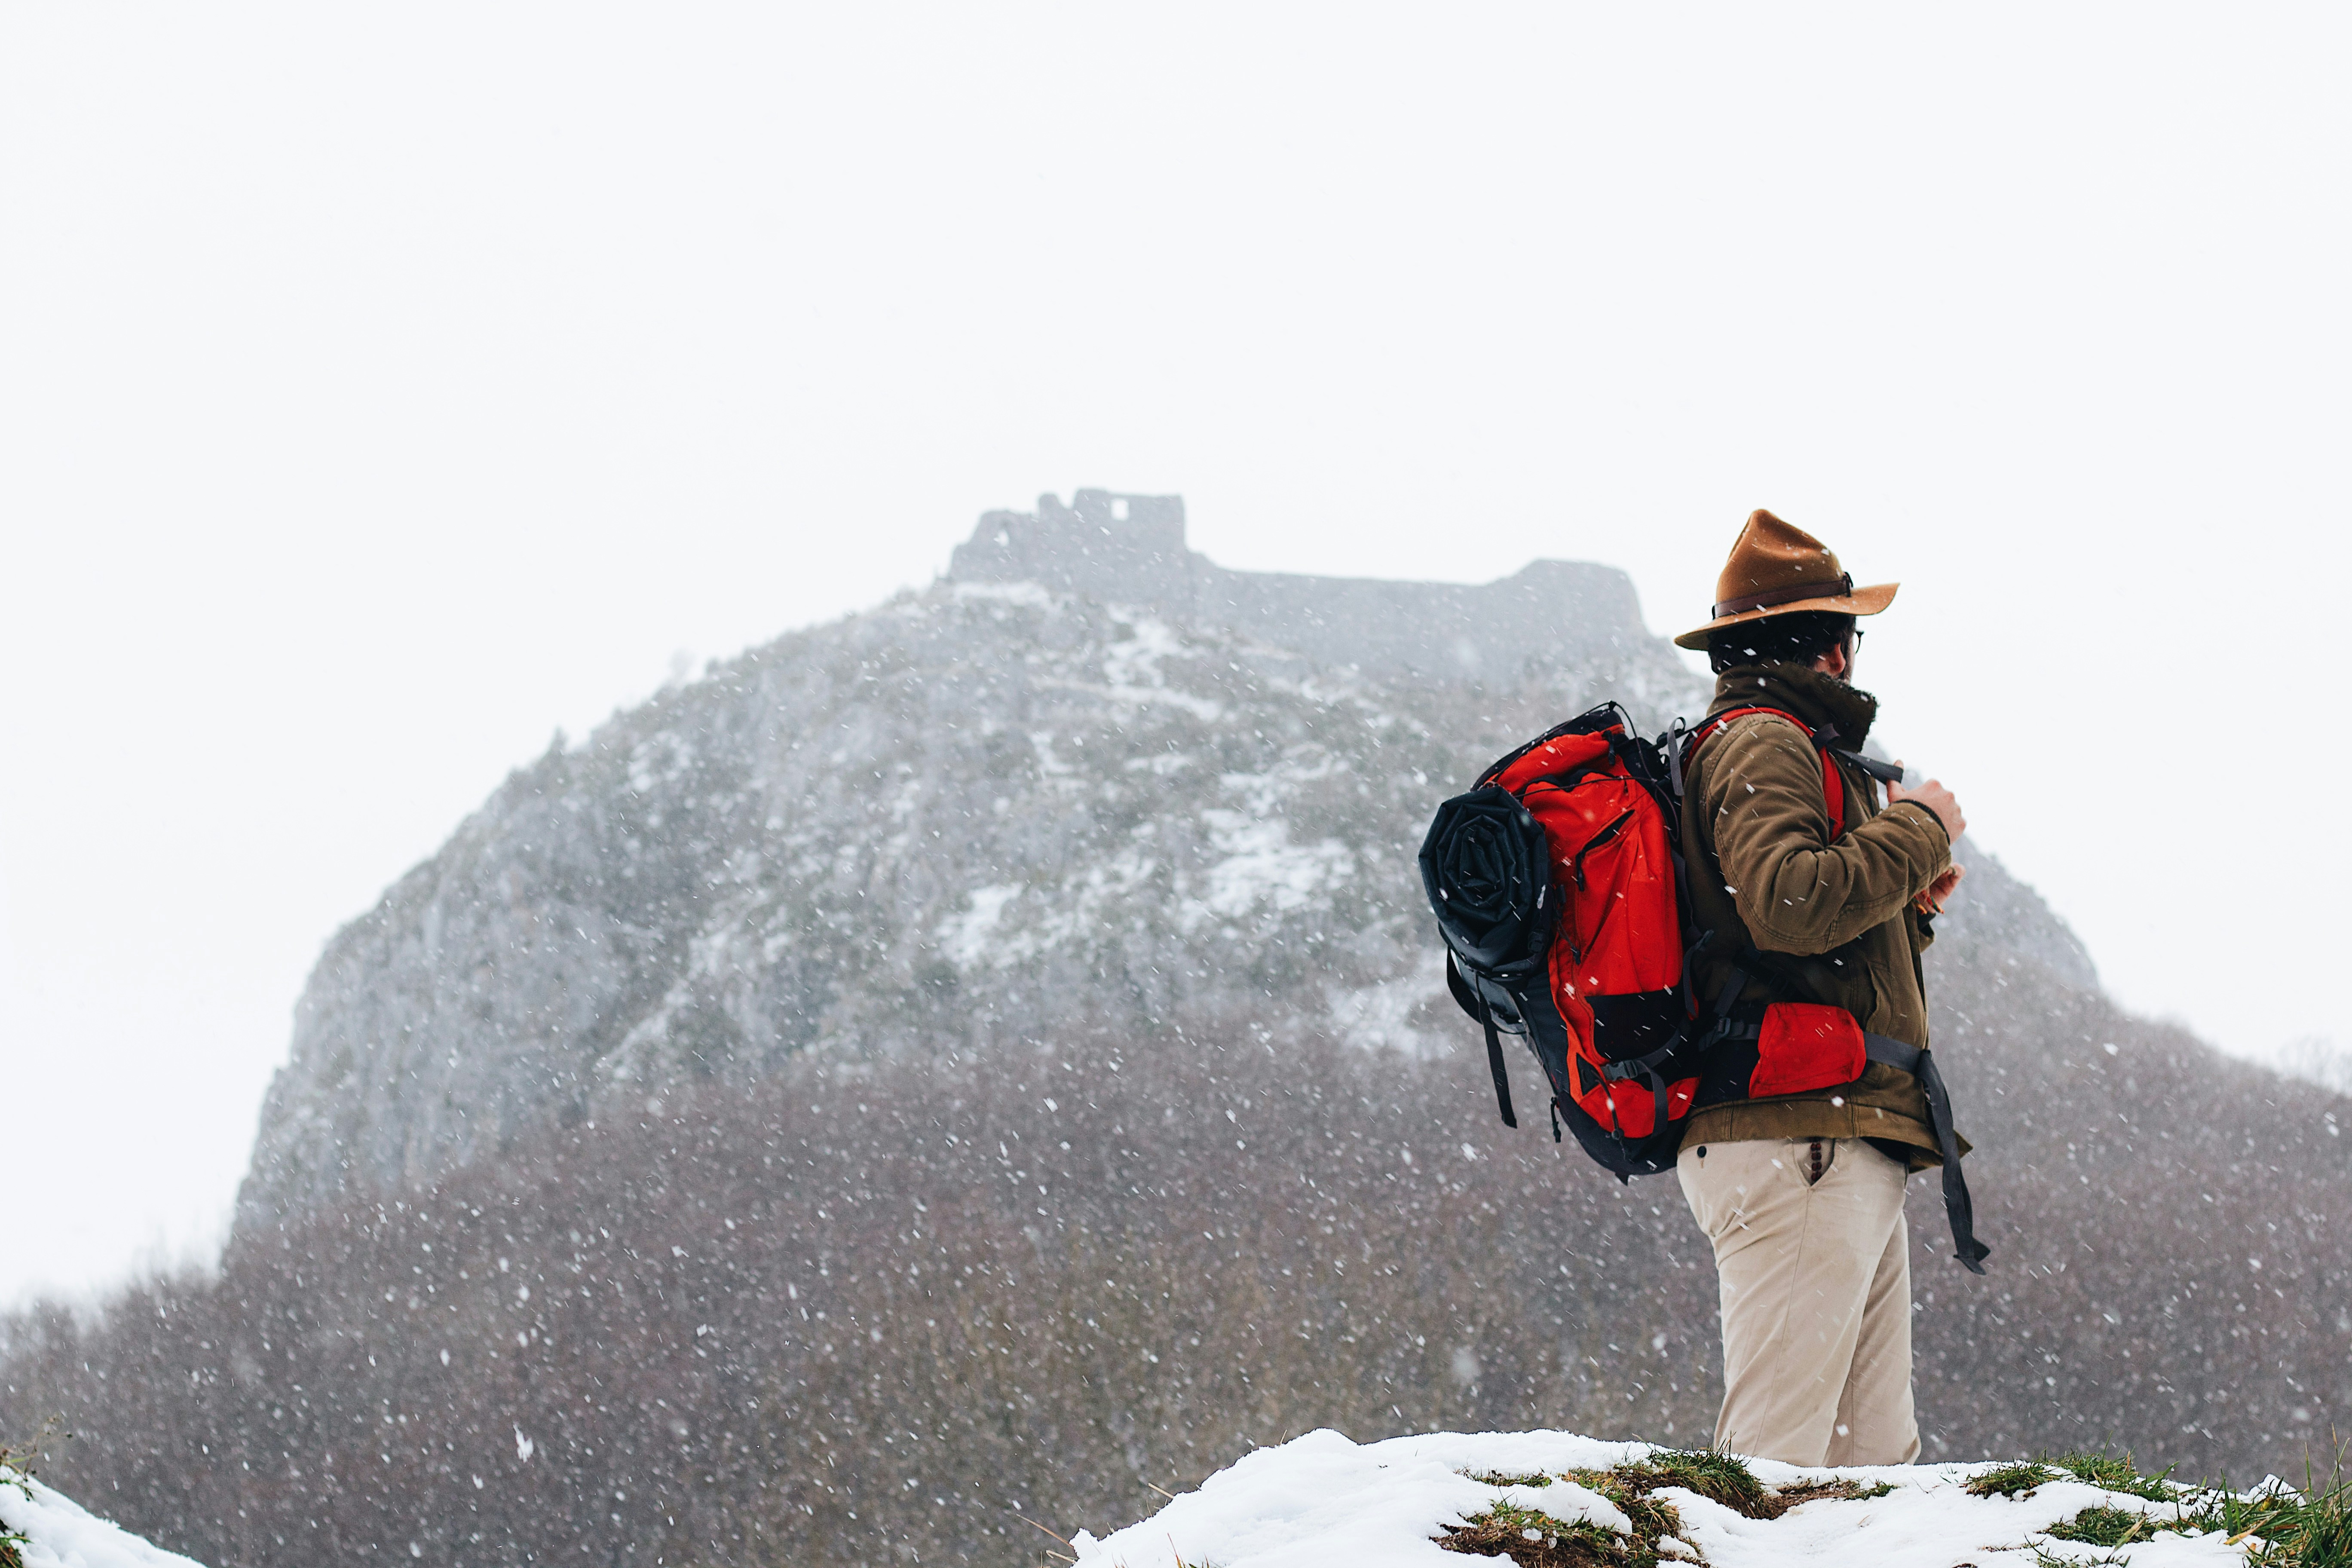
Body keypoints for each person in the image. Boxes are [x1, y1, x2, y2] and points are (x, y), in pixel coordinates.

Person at [1668, 508, 1972, 1468]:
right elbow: (1790, 905)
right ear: (1832, 649)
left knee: (1870, 1472)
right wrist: (1921, 827)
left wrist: (1906, 904)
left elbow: (1796, 940)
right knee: (1777, 1469)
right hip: (1797, 1136)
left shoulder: (1780, 742)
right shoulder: (1763, 742)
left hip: (1829, 1132)